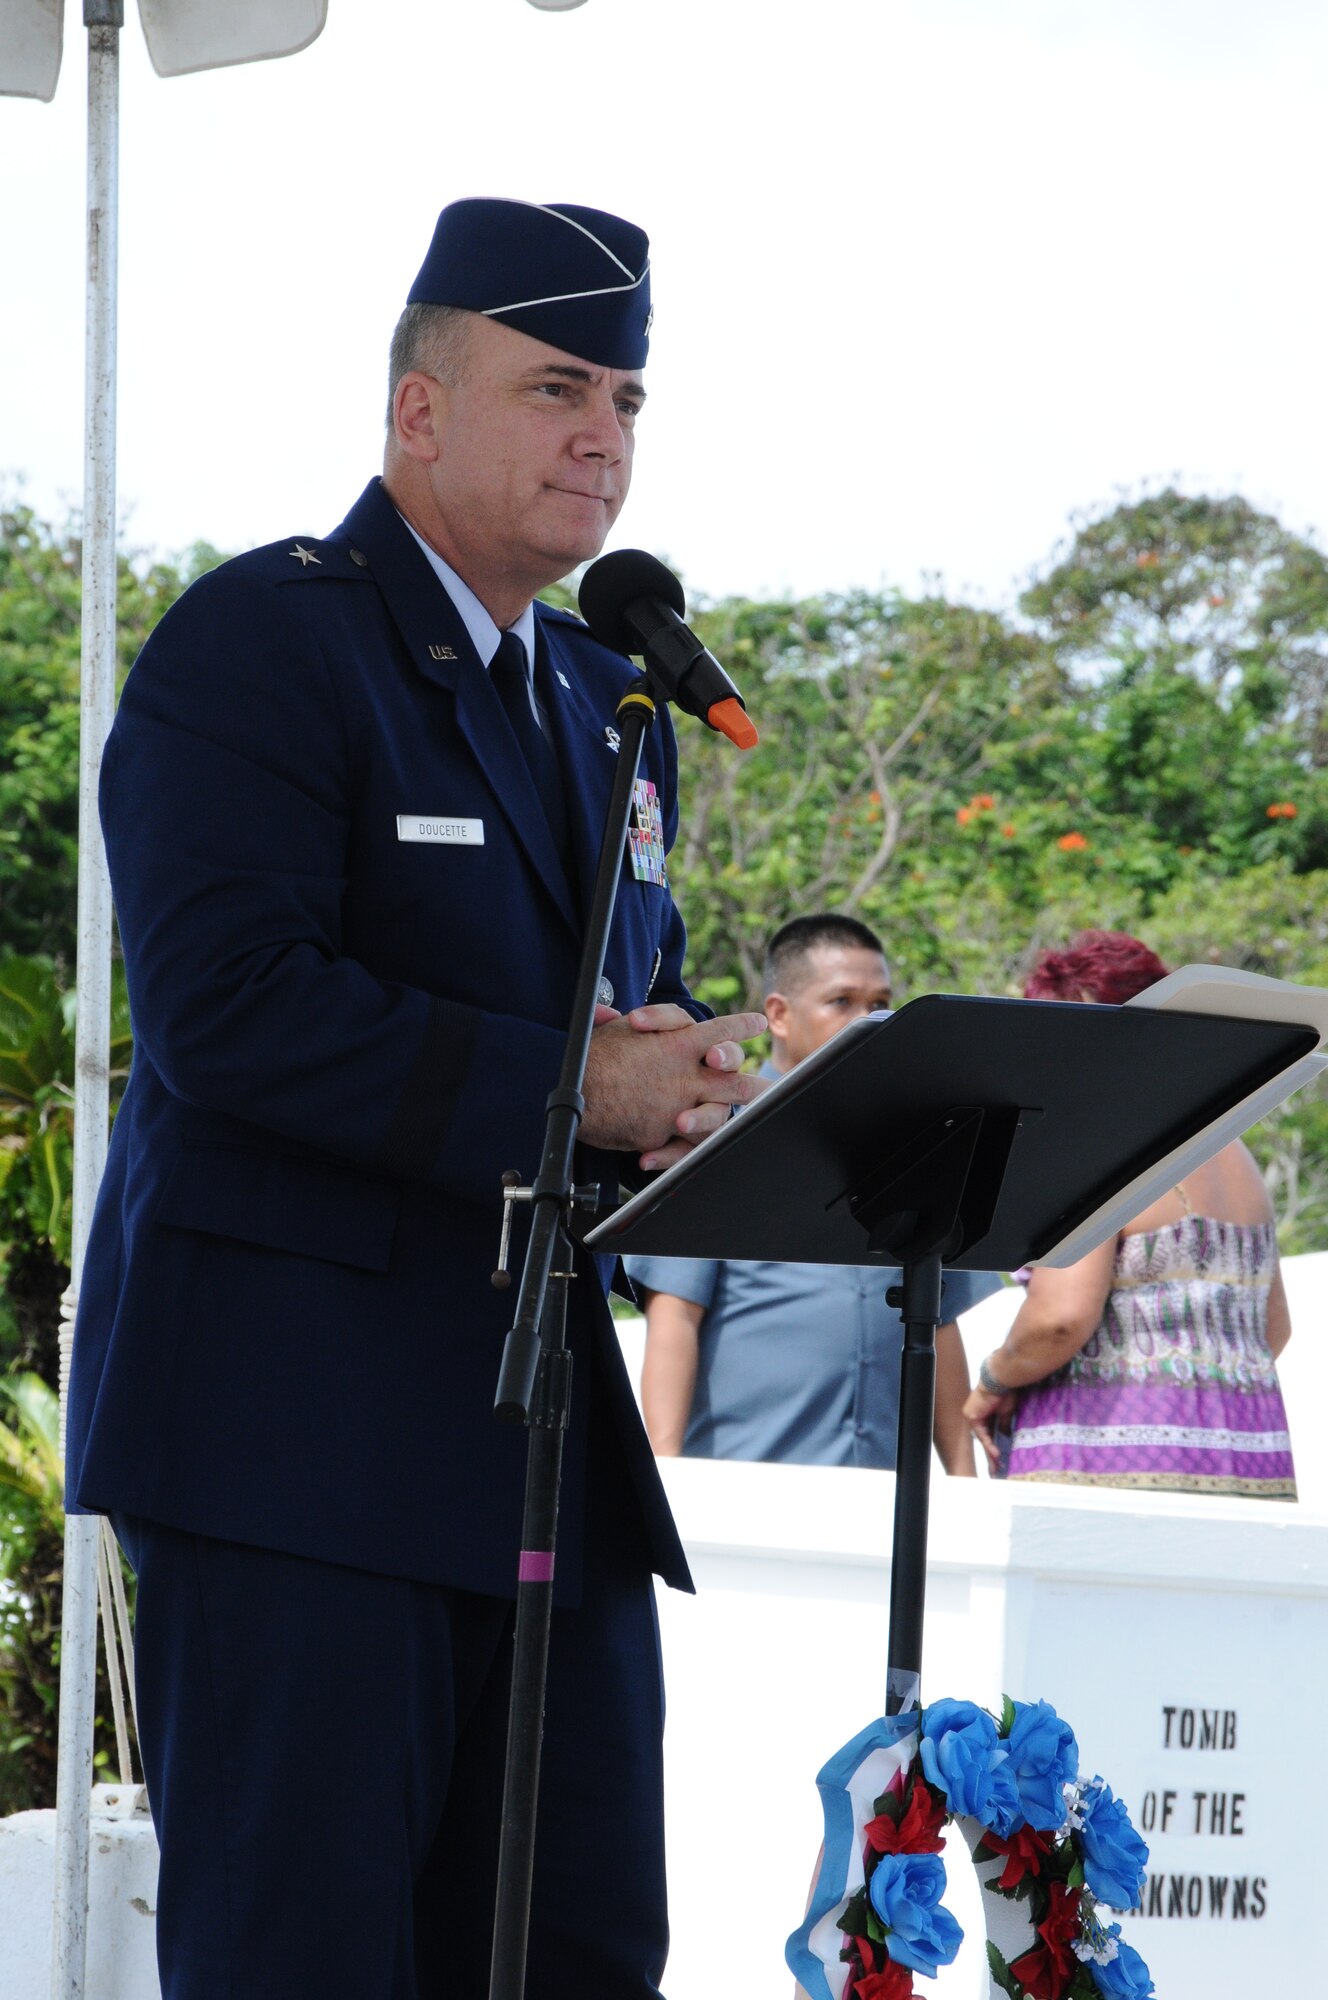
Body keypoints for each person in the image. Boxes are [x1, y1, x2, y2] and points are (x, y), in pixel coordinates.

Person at [64, 198, 769, 2000]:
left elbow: (611, 1004)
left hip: (537, 1443)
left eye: (624, 396)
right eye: (555, 387)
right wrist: (578, 1084)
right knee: (309, 1964)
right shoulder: (264, 644)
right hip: (295, 1439)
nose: (602, 435)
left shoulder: (609, 695)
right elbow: (231, 1012)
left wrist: (692, 1074)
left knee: (578, 1954)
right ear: (417, 411)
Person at [626, 914, 1000, 1471]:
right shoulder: (724, 1139)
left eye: (882, 1001)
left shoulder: (925, 1147)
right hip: (751, 1487)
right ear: (778, 1014)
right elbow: (675, 1315)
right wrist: (667, 1470)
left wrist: (963, 1478)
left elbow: (939, 1321)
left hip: (884, 1494)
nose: (871, 1018)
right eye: (842, 1001)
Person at [963, 929, 1297, 1498]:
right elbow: (1272, 1328)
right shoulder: (1231, 1146)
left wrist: (993, 1380)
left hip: (1112, 1465)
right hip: (1252, 1462)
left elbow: (1060, 1319)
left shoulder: (1099, 1142)